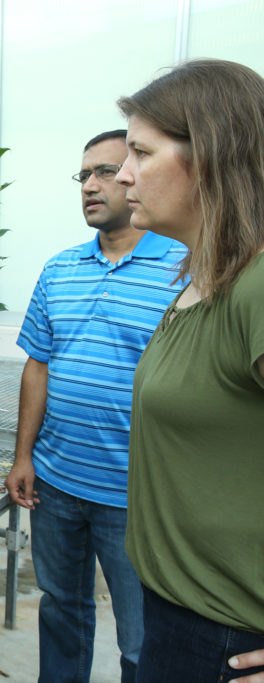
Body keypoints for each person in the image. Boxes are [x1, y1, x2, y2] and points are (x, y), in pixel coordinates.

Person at [6, 129, 186, 682]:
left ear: (136, 176)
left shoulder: (186, 268)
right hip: (58, 484)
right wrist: (23, 457)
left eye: (106, 171)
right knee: (61, 610)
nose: (91, 185)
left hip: (138, 494)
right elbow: (38, 364)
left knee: (142, 637)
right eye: (83, 175)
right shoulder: (60, 268)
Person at [115, 59, 264, 683]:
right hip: (177, 618)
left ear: (210, 156)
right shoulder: (200, 282)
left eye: (141, 153)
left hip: (227, 640)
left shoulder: (258, 287)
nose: (124, 175)